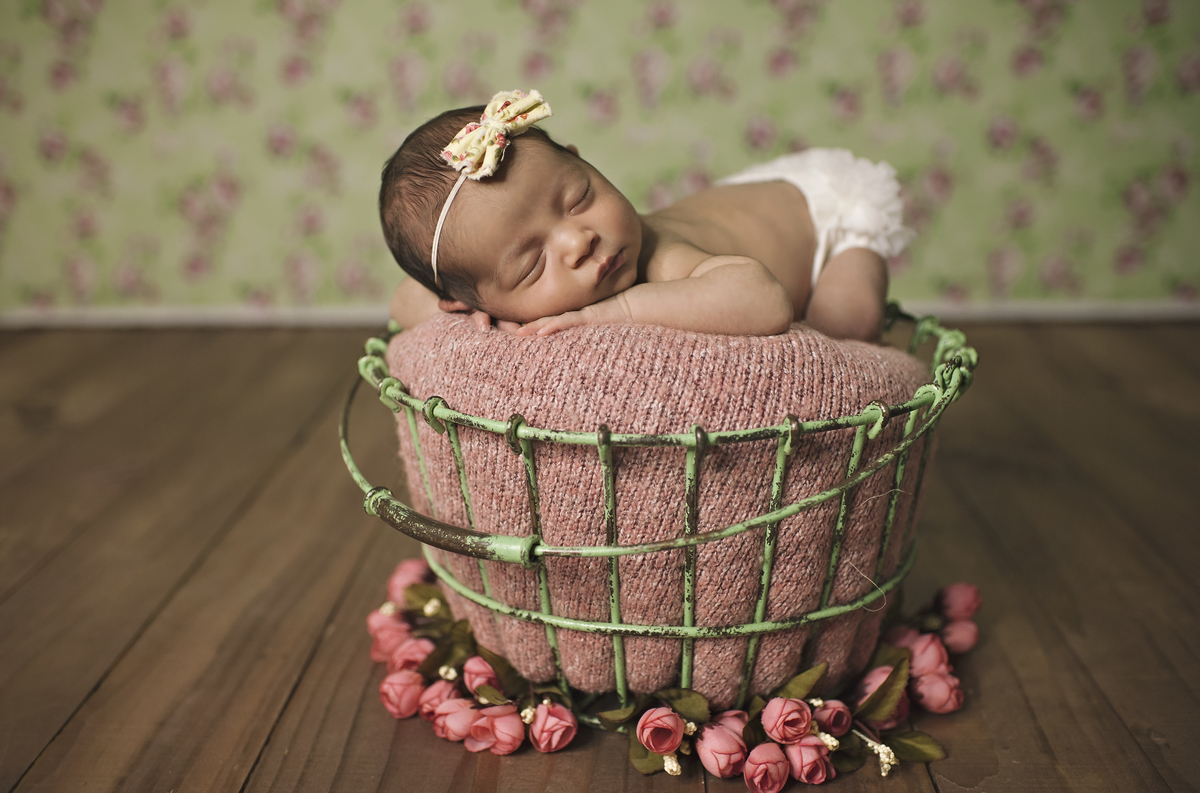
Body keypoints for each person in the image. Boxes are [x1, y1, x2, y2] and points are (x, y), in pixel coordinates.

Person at [380, 90, 913, 343]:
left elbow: (765, 301)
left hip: (821, 214)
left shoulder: (660, 259)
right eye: (530, 265)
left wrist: (614, 312)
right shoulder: (470, 288)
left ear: (582, 157)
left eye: (579, 198)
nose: (579, 240)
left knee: (842, 330)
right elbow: (407, 298)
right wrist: (473, 320)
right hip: (748, 209)